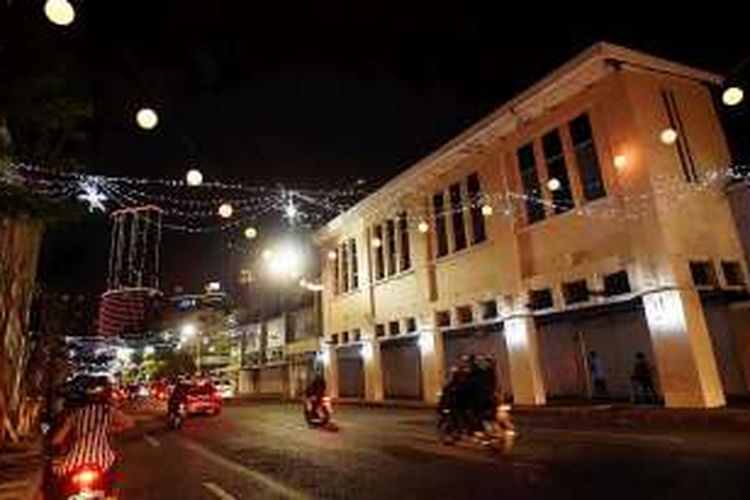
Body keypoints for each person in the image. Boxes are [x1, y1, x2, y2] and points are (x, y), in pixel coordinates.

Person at [50, 379, 133, 495]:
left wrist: (53, 450)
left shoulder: (76, 413)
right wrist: (111, 429)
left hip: (75, 461)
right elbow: (130, 423)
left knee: (55, 480)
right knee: (114, 478)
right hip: (102, 460)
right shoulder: (108, 411)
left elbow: (57, 439)